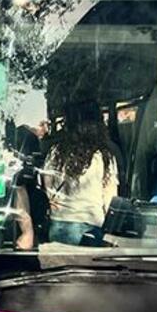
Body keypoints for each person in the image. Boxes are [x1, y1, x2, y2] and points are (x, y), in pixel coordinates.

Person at [43, 99, 118, 246]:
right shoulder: (104, 156)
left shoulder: (56, 152)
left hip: (60, 223)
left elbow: (48, 185)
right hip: (91, 225)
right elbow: (110, 198)